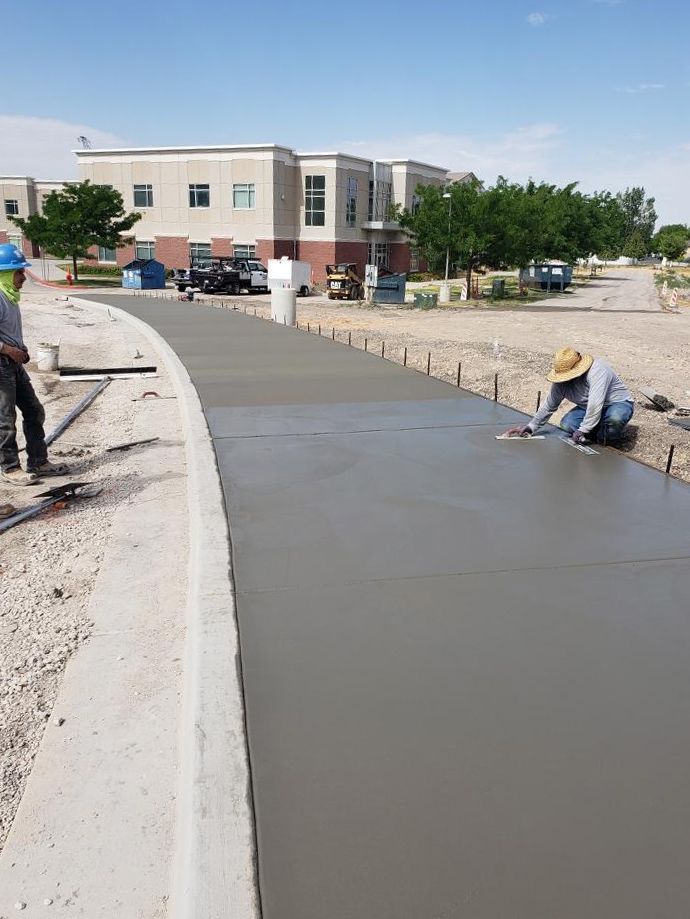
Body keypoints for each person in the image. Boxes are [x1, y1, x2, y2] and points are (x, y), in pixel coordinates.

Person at [0, 243, 69, 485]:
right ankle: (10, 468)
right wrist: (8, 350)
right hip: (1, 366)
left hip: (13, 364)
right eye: (19, 272)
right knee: (5, 419)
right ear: (5, 273)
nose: (23, 277)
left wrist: (21, 349)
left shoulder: (9, 296)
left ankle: (38, 462)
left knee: (33, 411)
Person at [506, 347, 634, 445]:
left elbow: (595, 403)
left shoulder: (597, 370)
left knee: (615, 419)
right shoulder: (561, 383)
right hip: (588, 408)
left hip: (617, 403)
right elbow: (549, 406)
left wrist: (583, 430)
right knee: (567, 424)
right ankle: (597, 429)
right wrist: (531, 427)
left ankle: (606, 439)